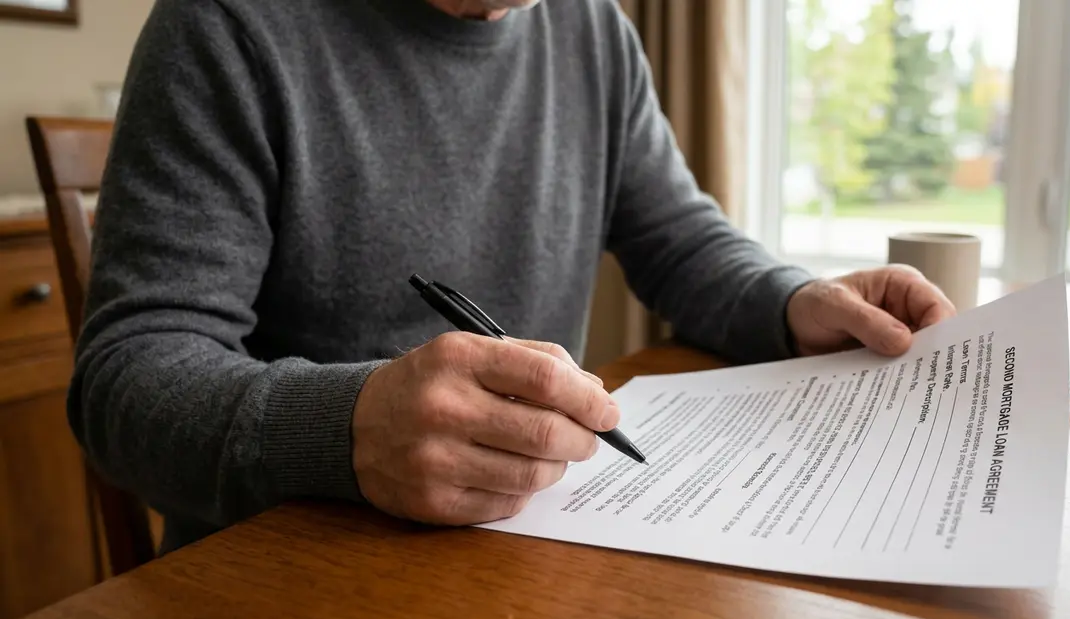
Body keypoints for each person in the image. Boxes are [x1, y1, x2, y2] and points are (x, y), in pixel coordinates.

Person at [71, 0, 955, 554]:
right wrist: (347, 428)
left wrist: (793, 300)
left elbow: (681, 239)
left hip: (531, 550)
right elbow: (127, 378)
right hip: (288, 575)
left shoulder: (595, 30)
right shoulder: (225, 25)